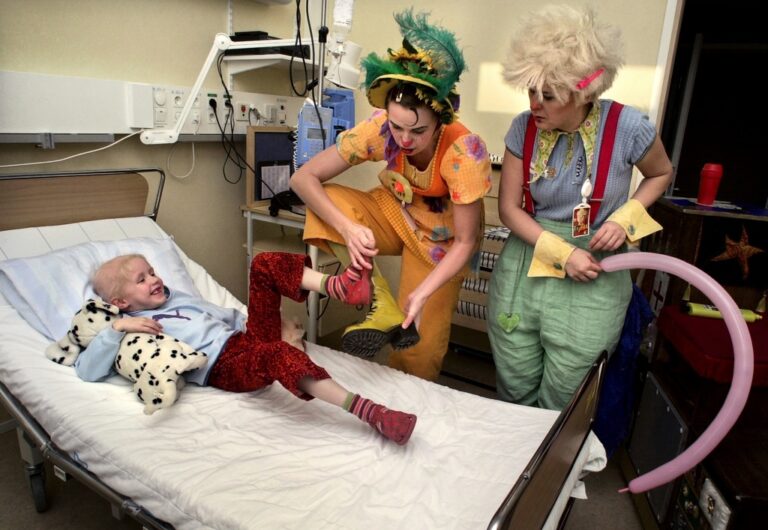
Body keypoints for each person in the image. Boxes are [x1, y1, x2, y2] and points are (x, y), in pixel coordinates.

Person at [487, 4, 673, 410]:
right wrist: (561, 252)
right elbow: (509, 209)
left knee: (568, 393)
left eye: (548, 95)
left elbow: (661, 173)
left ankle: (554, 451)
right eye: (531, 91)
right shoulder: (522, 128)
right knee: (514, 382)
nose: (535, 104)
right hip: (526, 263)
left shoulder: (629, 128)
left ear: (583, 91)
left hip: (596, 271)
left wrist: (625, 220)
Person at [290, 9, 491, 381]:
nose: (405, 139)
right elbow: (303, 179)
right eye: (397, 127)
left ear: (440, 121)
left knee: (417, 349)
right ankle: (378, 296)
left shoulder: (464, 151)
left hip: (443, 243)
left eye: (418, 131)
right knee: (326, 202)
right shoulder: (383, 128)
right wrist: (349, 230)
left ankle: (406, 397)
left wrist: (423, 293)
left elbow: (465, 242)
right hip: (397, 215)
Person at [73, 251, 417, 445]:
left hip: (244, 338)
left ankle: (339, 286)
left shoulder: (174, 298)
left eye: (152, 272)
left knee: (263, 263)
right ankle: (371, 413)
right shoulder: (128, 329)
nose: (155, 279)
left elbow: (222, 316)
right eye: (142, 279)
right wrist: (117, 328)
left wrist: (261, 324)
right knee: (278, 355)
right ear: (120, 302)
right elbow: (87, 370)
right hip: (223, 366)